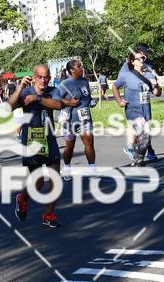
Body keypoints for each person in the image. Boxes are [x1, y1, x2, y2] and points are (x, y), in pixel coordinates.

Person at [7, 65, 63, 228]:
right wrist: (19, 89)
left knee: (55, 180)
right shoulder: (25, 92)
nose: (43, 80)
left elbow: (58, 105)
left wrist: (38, 99)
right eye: (40, 77)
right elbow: (8, 108)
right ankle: (22, 198)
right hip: (32, 141)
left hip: (49, 139)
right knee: (37, 182)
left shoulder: (53, 91)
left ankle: (48, 214)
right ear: (33, 77)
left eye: (46, 77)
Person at [112, 45, 162, 164]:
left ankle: (137, 157)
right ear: (133, 61)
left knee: (145, 136)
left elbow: (157, 93)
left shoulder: (149, 74)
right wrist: (119, 101)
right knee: (143, 132)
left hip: (146, 109)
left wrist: (156, 85)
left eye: (143, 58)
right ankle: (133, 150)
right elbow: (115, 85)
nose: (143, 59)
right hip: (133, 108)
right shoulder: (127, 74)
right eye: (140, 58)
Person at [58, 58, 97, 179]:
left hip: (85, 120)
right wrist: (69, 102)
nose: (81, 68)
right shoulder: (64, 84)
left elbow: (87, 96)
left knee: (89, 142)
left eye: (81, 66)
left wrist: (91, 101)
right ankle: (67, 167)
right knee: (70, 146)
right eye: (78, 67)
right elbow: (55, 99)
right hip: (70, 122)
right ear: (71, 70)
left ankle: (92, 169)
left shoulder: (85, 81)